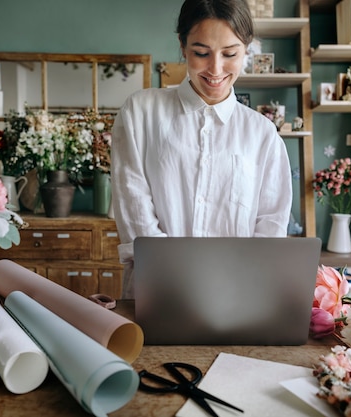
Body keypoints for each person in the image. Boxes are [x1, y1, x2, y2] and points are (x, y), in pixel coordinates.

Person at [111, 0, 293, 298]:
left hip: (237, 295)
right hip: (160, 290)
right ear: (182, 47)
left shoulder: (262, 134)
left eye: (230, 53)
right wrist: (176, 274)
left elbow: (270, 228)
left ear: (247, 49)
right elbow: (135, 210)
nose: (216, 69)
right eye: (201, 53)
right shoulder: (141, 112)